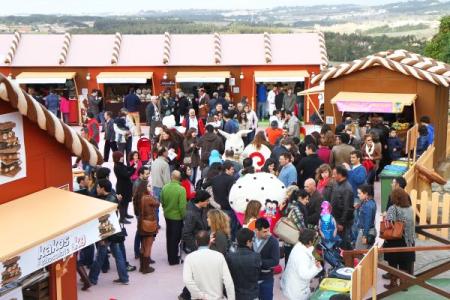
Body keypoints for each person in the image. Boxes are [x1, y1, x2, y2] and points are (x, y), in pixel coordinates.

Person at [89, 179, 129, 285]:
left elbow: (104, 220)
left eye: (98, 187)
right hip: (114, 229)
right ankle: (124, 278)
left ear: (102, 188)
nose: (96, 189)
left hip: (107, 231)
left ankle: (92, 278)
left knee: (100, 257)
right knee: (118, 255)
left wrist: (102, 238)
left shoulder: (106, 202)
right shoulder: (113, 196)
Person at [183, 231, 235, 300]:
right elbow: (228, 282)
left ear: (196, 242)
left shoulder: (189, 258)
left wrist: (200, 295)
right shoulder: (219, 256)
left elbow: (187, 280)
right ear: (209, 241)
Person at [383, 187, 415, 289]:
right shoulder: (410, 208)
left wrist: (384, 217)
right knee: (404, 263)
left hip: (395, 239)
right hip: (408, 240)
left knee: (393, 263)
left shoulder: (393, 208)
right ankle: (403, 284)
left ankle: (393, 284)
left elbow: (388, 224)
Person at [281, 228, 322, 300]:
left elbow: (310, 251)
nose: (316, 240)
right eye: (314, 238)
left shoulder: (299, 245)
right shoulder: (302, 256)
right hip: (297, 291)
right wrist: (316, 267)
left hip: (292, 286)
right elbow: (305, 275)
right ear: (309, 242)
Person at [207, 161, 239, 240]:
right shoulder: (231, 179)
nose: (233, 171)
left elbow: (205, 186)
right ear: (226, 170)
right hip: (228, 208)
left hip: (217, 208)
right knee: (230, 230)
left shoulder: (214, 179)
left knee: (218, 229)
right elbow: (231, 194)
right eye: (232, 169)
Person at [226, 228, 262, 300]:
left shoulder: (229, 257)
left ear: (237, 240)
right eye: (252, 240)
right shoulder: (256, 256)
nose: (253, 242)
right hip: (252, 295)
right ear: (248, 242)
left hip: (237, 295)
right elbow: (258, 273)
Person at [161, 170, 187, 265]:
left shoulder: (165, 187)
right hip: (177, 217)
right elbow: (182, 207)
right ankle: (173, 259)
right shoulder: (181, 189)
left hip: (167, 215)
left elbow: (162, 201)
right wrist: (184, 217)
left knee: (169, 237)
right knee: (176, 239)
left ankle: (171, 258)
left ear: (171, 177)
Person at [134, 180, 159, 273]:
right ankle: (146, 268)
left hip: (141, 223)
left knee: (143, 245)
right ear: (144, 188)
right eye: (148, 186)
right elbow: (157, 203)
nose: (150, 187)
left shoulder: (138, 197)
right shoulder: (148, 198)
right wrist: (152, 195)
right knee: (148, 246)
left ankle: (142, 266)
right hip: (149, 224)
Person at [253, 218, 280, 300]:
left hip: (266, 278)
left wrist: (259, 262)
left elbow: (275, 262)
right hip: (251, 277)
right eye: (264, 231)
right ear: (256, 230)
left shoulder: (273, 241)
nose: (268, 233)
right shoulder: (250, 237)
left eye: (268, 230)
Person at [281, 189, 309, 264]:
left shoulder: (291, 205)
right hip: (294, 241)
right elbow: (301, 227)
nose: (307, 201)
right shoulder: (296, 209)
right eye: (306, 199)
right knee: (293, 263)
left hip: (289, 239)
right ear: (300, 198)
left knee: (289, 261)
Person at [329, 166, 354, 249]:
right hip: (336, 219)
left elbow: (347, 207)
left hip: (343, 222)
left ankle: (347, 260)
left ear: (340, 175)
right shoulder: (336, 184)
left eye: (335, 174)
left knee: (344, 243)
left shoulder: (347, 188)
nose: (333, 176)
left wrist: (341, 223)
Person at [113, 151, 134, 224]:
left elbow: (127, 168)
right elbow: (126, 175)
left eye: (122, 156)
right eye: (120, 157)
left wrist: (133, 165)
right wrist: (134, 170)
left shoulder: (121, 164)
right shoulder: (117, 166)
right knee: (122, 203)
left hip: (126, 186)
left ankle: (125, 214)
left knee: (127, 200)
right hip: (121, 187)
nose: (122, 158)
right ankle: (122, 218)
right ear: (116, 158)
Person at [355, 184, 376, 250]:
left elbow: (368, 221)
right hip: (370, 231)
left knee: (359, 253)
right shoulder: (371, 202)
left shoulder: (367, 205)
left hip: (366, 231)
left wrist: (364, 236)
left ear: (366, 194)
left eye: (359, 193)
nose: (358, 195)